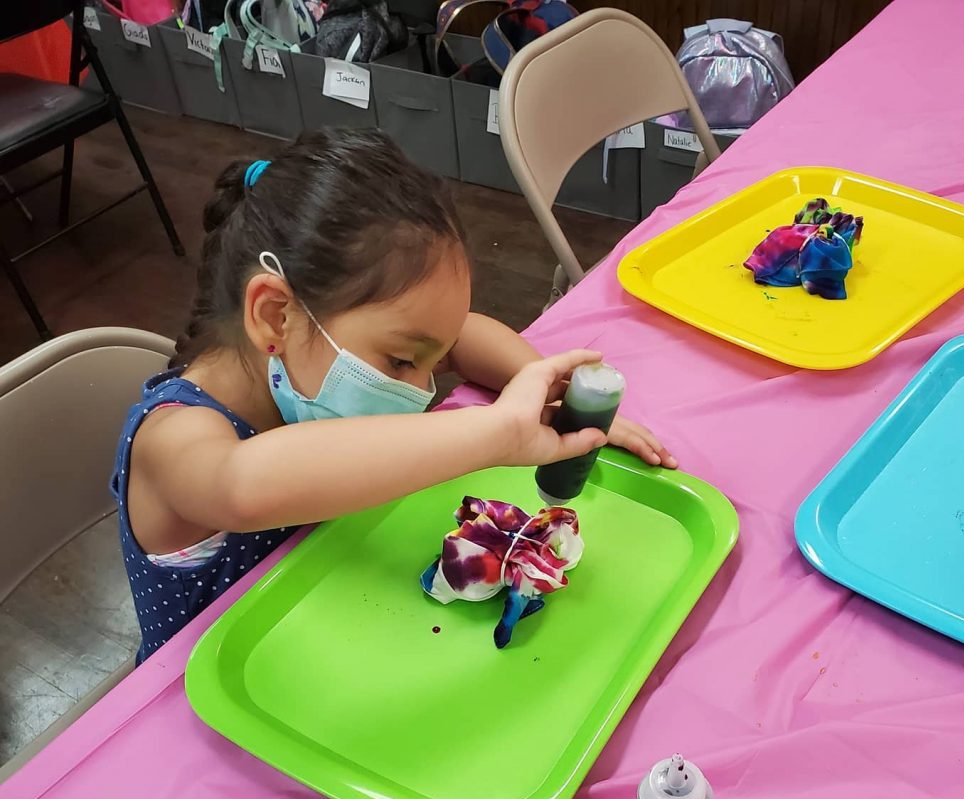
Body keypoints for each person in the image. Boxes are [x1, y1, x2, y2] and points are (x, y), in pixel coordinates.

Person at [111, 128, 676, 661]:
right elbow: (242, 487)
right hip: (197, 715)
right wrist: (496, 433)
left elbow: (464, 336)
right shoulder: (174, 438)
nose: (421, 389)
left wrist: (553, 398)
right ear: (276, 316)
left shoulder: (306, 369)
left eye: (428, 362)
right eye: (402, 361)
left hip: (340, 646)